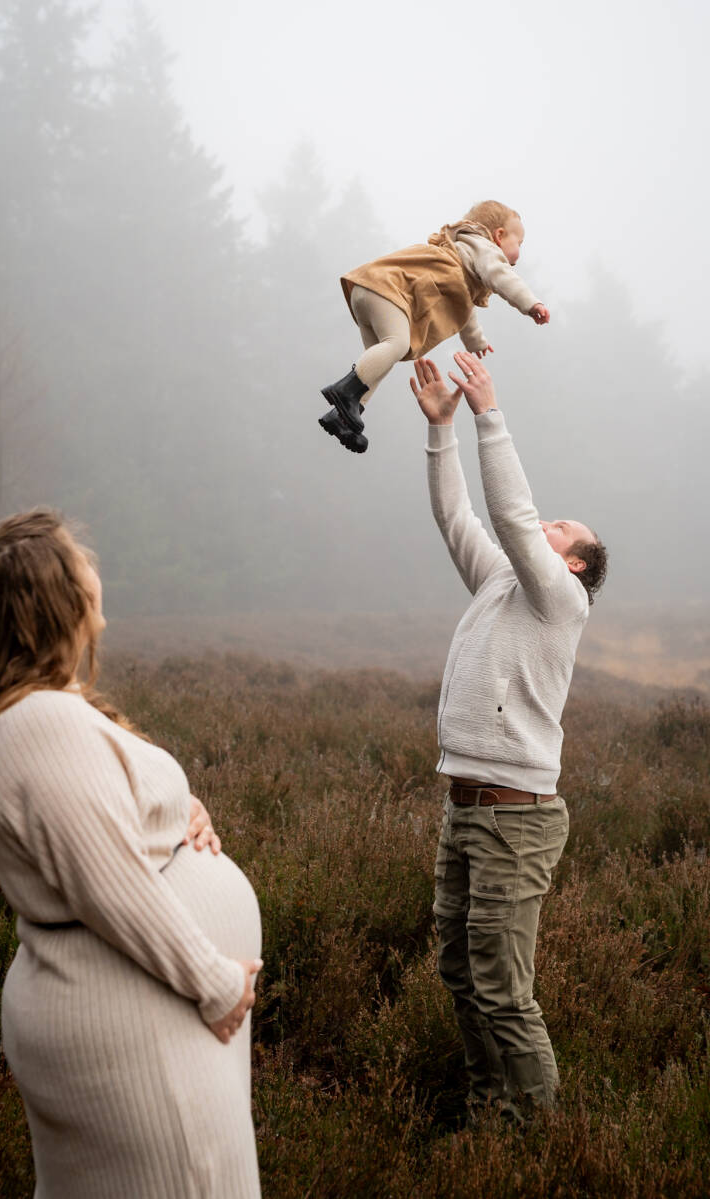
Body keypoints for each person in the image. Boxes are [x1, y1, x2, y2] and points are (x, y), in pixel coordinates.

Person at [0, 510, 263, 1198]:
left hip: (148, 1022)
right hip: (140, 1030)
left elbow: (102, 832)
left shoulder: (45, 711)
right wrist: (215, 981)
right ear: (60, 597)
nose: (95, 571)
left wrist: (177, 814)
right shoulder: (41, 723)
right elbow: (109, 884)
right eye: (82, 561)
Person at [410, 352, 607, 1122]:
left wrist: (491, 413)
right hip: (467, 808)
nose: (545, 522)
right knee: (461, 971)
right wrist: (441, 431)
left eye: (563, 528)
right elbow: (459, 518)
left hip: (515, 818)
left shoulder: (562, 599)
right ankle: (491, 1110)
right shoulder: (502, 583)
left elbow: (514, 519)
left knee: (501, 984)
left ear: (575, 562)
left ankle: (543, 1135)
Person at [319, 200, 549, 454]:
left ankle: (343, 417)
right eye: (520, 243)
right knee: (397, 344)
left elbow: (464, 308)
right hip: (384, 290)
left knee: (381, 359)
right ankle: (345, 391)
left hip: (366, 290)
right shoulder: (484, 248)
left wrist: (475, 341)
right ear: (499, 235)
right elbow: (501, 276)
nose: (520, 252)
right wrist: (531, 304)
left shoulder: (463, 258)